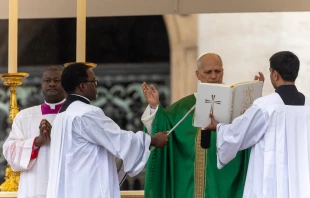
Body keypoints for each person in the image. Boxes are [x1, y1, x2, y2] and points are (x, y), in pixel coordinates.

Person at [141, 53, 265, 198]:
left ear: (223, 72)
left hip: (225, 185)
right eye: (208, 72)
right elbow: (161, 129)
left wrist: (252, 100)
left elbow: (252, 131)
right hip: (188, 187)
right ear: (198, 74)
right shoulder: (182, 108)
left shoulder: (235, 107)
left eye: (217, 71)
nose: (213, 76)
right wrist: (154, 106)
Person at [46, 63, 169, 198]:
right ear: (82, 86)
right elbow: (118, 140)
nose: (96, 86)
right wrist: (152, 140)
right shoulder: (87, 113)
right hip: (88, 191)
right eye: (93, 82)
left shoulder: (61, 117)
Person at [207, 51, 310, 197]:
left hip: (271, 185)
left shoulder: (265, 107)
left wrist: (218, 127)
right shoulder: (308, 106)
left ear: (275, 74)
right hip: (302, 186)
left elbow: (237, 134)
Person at [3, 66, 66, 198]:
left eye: (57, 80)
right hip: (33, 189)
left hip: (66, 188)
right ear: (41, 85)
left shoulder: (76, 115)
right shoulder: (25, 116)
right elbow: (9, 150)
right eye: (47, 80)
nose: (52, 84)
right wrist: (37, 142)